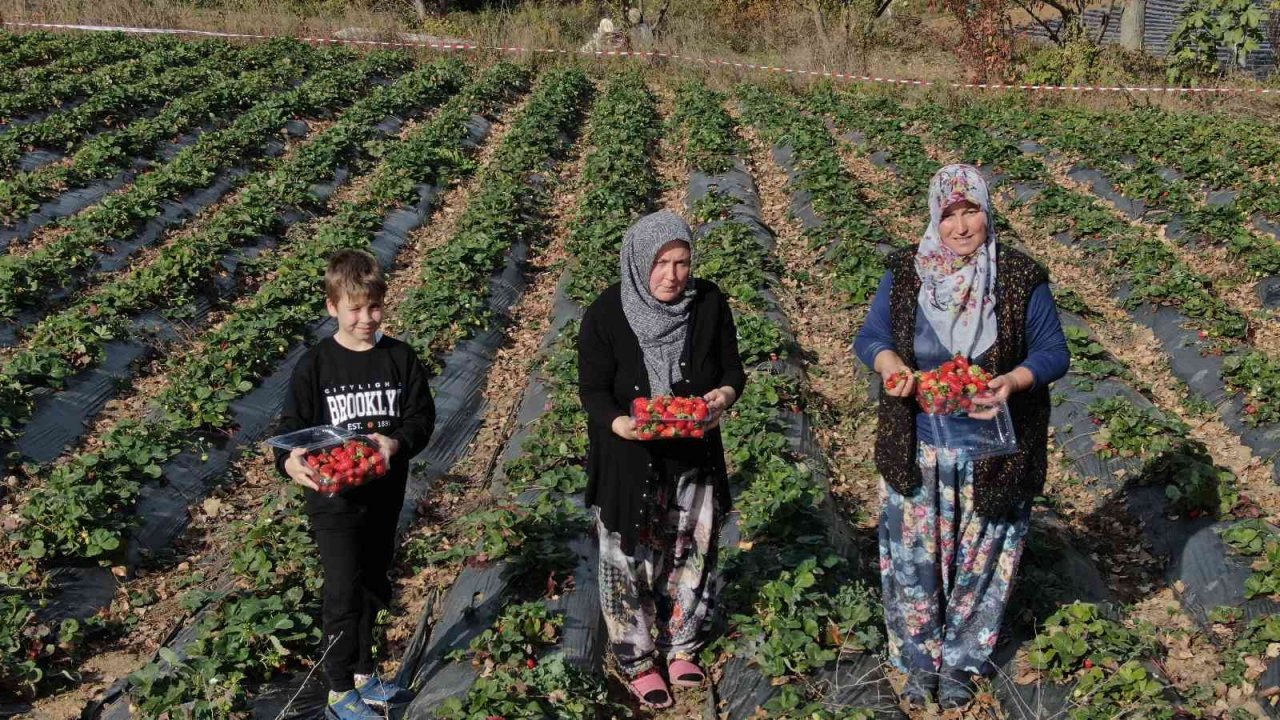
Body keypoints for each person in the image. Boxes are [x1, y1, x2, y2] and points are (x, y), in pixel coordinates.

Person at [853, 164, 1069, 709]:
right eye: (949, 215)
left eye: (970, 211)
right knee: (915, 555)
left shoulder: (1018, 276)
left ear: (987, 212)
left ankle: (962, 661)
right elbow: (872, 336)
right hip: (919, 442)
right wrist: (890, 364)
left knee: (983, 557)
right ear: (934, 217)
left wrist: (1012, 381)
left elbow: (1053, 352)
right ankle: (918, 658)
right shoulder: (907, 272)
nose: (961, 226)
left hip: (993, 446)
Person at [578, 210, 746, 709]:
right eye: (661, 263)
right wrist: (620, 423)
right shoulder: (606, 313)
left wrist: (721, 398)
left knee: (691, 547)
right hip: (627, 458)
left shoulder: (708, 303)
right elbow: (592, 390)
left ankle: (681, 645)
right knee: (625, 556)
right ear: (638, 262)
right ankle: (636, 657)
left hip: (693, 450)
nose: (672, 275)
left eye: (681, 263)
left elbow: (732, 370)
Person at [275, 249, 436, 719]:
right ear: (332, 307)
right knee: (343, 590)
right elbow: (291, 428)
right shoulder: (316, 364)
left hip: (384, 492)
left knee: (374, 583)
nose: (366, 318)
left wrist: (396, 442)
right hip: (334, 499)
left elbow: (421, 418)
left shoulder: (399, 358)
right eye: (355, 309)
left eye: (374, 307)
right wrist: (289, 462)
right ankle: (338, 690)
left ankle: (365, 673)